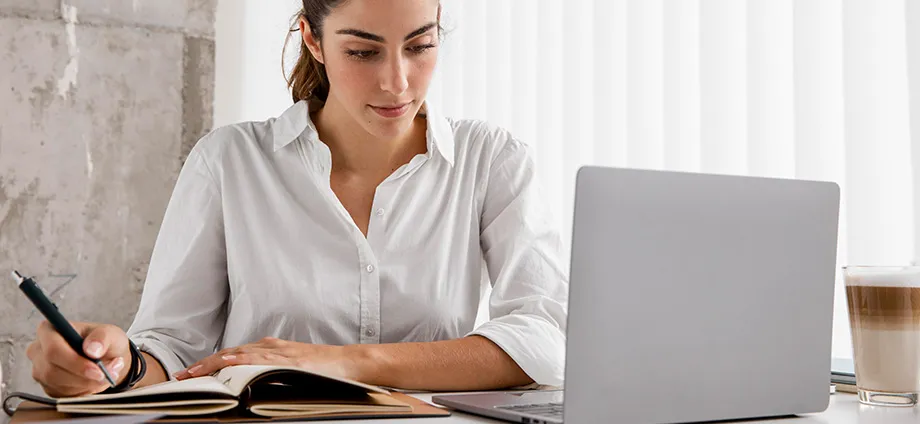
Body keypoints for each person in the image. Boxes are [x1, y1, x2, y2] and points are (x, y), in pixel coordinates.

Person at [26, 0, 568, 398]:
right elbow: (173, 345)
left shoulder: (492, 159)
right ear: (313, 39)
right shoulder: (230, 161)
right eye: (362, 51)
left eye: (421, 46)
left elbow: (545, 336)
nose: (397, 82)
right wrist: (115, 367)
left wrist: (348, 363)